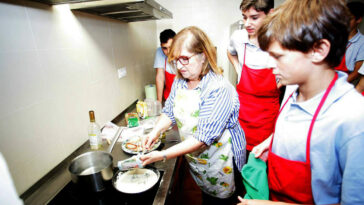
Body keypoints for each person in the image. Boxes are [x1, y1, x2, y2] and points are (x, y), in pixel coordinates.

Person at [238, 0, 364, 204]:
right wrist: (272, 142)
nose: (270, 64)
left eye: (278, 56)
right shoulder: (293, 87)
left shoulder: (353, 118)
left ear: (319, 50)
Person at [141, 26, 246, 204]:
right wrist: (154, 132)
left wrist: (162, 155)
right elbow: (169, 112)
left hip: (222, 161)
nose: (179, 67)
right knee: (207, 197)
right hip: (201, 161)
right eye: (175, 60)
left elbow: (202, 138)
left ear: (203, 55)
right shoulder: (180, 81)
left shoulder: (218, 88)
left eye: (185, 59)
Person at [227, 0, 281, 155]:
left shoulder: (280, 39)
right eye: (244, 17)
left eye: (254, 17)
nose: (247, 23)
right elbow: (230, 52)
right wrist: (239, 70)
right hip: (243, 108)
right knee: (239, 152)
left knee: (262, 158)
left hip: (266, 113)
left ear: (270, 14)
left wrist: (280, 82)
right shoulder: (238, 37)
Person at [334, 1, 364, 84]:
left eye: (349, 19)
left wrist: (336, 84)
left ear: (358, 20)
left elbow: (356, 72)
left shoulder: (362, 42)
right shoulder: (334, 35)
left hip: (343, 82)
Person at [154, 29, 177, 103]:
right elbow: (160, 77)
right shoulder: (159, 52)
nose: (169, 51)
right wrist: (159, 103)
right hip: (169, 97)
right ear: (161, 46)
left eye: (171, 47)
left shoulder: (183, 51)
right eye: (165, 48)